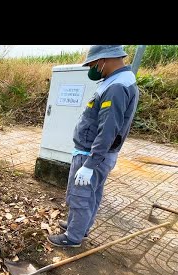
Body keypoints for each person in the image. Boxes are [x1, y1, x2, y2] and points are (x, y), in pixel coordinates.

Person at [48, 45, 139, 248]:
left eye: (93, 64)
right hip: (98, 154)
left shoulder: (116, 87)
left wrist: (90, 164)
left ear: (104, 60)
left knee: (80, 196)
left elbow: (108, 130)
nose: (92, 68)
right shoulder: (117, 81)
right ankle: (79, 226)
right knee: (92, 195)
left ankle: (72, 237)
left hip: (93, 154)